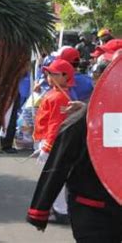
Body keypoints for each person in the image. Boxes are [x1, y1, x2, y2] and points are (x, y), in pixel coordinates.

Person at [27, 59, 122, 241]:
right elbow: (59, 161)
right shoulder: (83, 119)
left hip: (93, 209)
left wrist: (39, 210)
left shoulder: (82, 119)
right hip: (92, 210)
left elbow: (59, 162)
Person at [32, 58, 75, 223]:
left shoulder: (59, 97)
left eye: (54, 74)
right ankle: (56, 208)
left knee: (52, 178)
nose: (49, 76)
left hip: (49, 142)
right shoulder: (55, 94)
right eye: (48, 73)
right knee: (51, 177)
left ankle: (60, 210)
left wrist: (47, 147)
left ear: (65, 76)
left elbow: (55, 125)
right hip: (45, 140)